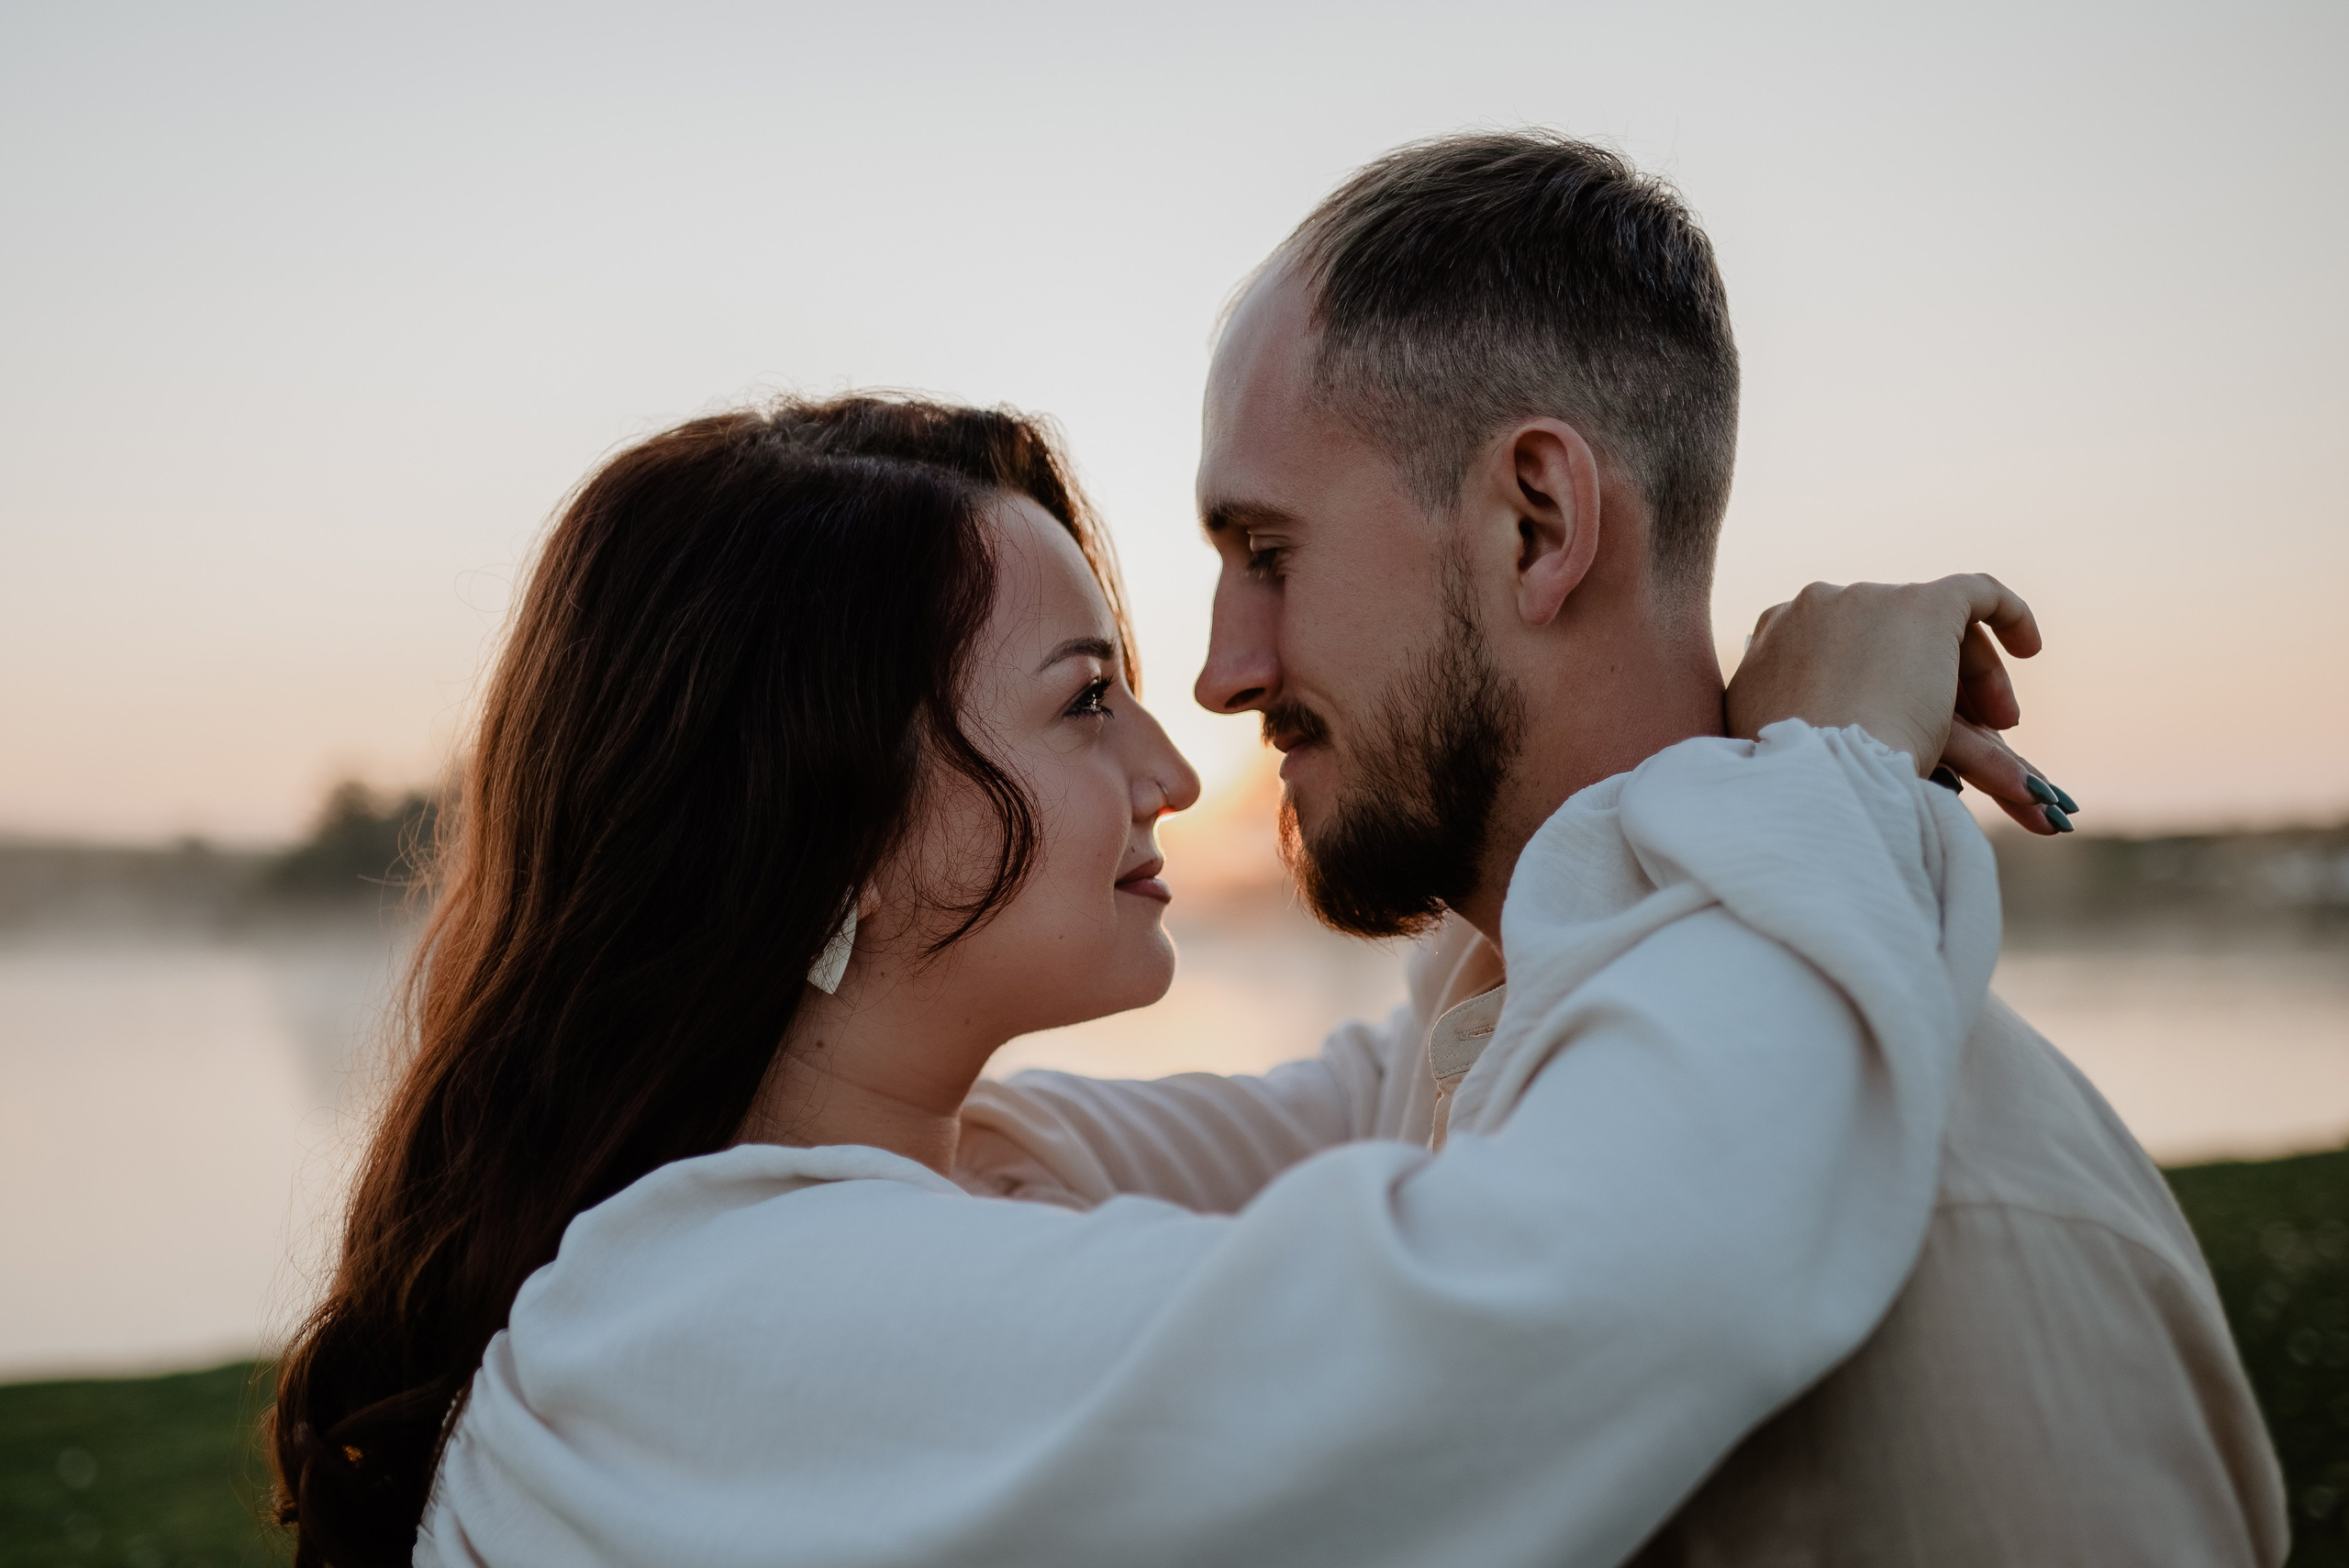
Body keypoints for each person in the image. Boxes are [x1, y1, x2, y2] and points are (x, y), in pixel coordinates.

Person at [276, 394, 2023, 1568]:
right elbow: (1595, 1281)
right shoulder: (701, 1333)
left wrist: (1565, 761)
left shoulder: (954, 1178)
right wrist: (1818, 771)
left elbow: (1391, 1099)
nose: (1174, 771)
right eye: (1082, 698)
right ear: (832, 831)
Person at [955, 133, 2288, 1564]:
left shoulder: (1963, 1231)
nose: (1223, 673)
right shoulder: (1477, 1011)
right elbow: (986, 1176)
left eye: (1269, 554)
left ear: (1538, 524)